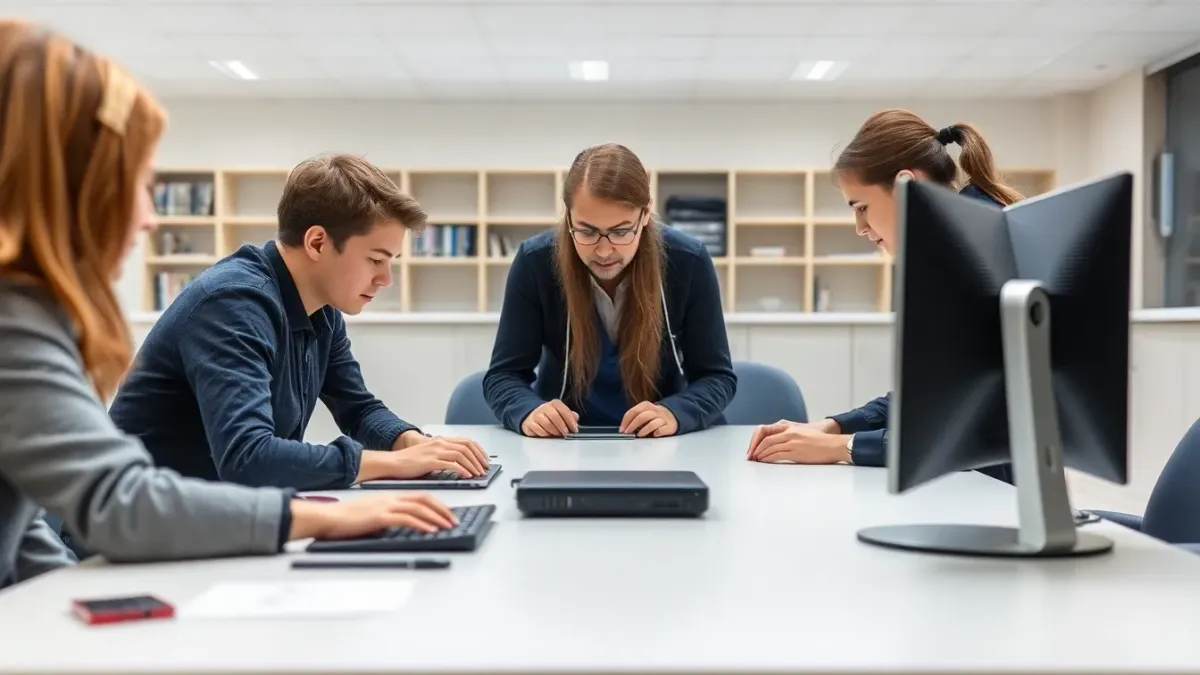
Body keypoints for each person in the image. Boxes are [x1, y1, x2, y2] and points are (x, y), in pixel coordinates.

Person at [0, 20, 458, 587]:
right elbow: (129, 500)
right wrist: (328, 514)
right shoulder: (230, 301)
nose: (148, 217)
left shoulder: (320, 313)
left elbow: (19, 526)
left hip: (161, 549)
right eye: (137, 185)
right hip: (142, 551)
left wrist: (52, 604)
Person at [107, 159, 491, 491]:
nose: (386, 279)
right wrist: (395, 465)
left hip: (220, 520)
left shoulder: (321, 309)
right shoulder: (233, 303)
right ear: (318, 243)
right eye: (376, 259)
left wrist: (410, 443)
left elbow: (357, 408)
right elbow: (249, 458)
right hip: (136, 539)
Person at [746, 108, 1022, 484]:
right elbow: (929, 397)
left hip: (990, 493)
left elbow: (975, 429)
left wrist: (840, 447)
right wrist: (832, 427)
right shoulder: (949, 253)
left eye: (862, 208)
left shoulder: (980, 257)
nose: (860, 228)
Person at [484, 143, 736, 438]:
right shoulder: (535, 262)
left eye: (621, 231)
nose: (604, 251)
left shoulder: (688, 261)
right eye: (587, 231)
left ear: (645, 214)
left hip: (662, 443)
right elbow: (502, 376)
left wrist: (677, 412)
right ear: (568, 217)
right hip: (563, 445)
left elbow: (717, 377)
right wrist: (527, 410)